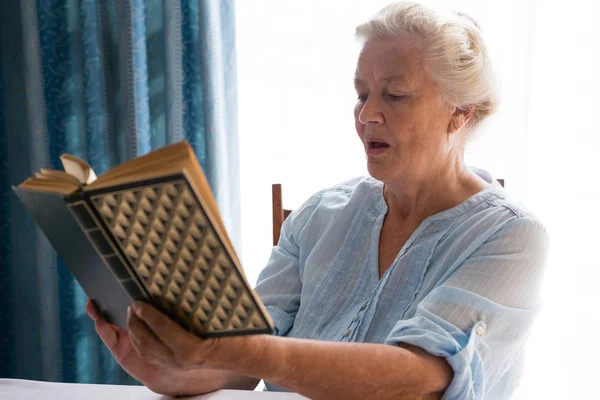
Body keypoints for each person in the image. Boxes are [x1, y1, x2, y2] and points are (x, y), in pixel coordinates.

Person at [85, 2, 548, 399]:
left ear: (460, 113)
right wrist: (168, 371)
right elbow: (242, 362)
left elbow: (420, 381)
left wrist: (228, 348)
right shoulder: (318, 214)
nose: (367, 115)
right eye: (361, 94)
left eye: (396, 95)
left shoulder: (512, 236)